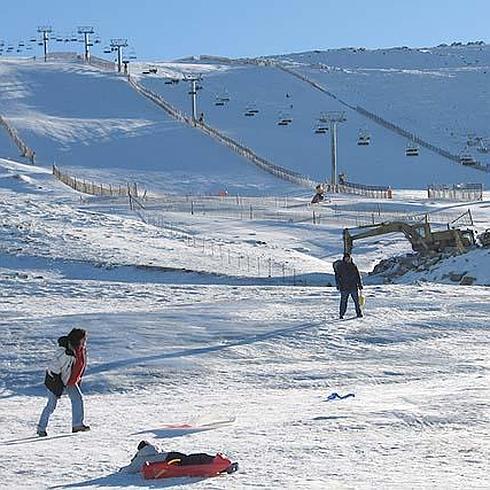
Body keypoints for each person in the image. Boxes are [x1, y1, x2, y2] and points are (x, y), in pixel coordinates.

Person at [37, 328, 90, 437]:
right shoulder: (64, 352)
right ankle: (41, 428)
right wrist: (57, 384)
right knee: (51, 406)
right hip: (56, 381)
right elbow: (54, 368)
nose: (85, 340)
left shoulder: (81, 349)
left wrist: (78, 379)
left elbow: (80, 366)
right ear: (77, 338)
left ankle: (77, 425)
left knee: (78, 399)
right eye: (83, 338)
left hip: (70, 381)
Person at [119, 441, 216, 473]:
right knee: (189, 458)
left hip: (169, 460)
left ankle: (213, 462)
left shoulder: (140, 458)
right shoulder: (154, 450)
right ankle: (212, 459)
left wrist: (122, 469)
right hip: (171, 454)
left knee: (188, 462)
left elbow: (132, 469)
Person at [333, 253, 363, 319]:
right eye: (346, 258)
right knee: (343, 302)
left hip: (353, 287)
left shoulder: (353, 266)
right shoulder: (341, 267)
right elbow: (337, 277)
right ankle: (341, 314)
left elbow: (358, 276)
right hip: (344, 287)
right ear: (344, 258)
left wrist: (360, 284)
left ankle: (359, 313)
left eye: (348, 258)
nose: (347, 259)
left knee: (357, 302)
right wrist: (338, 285)